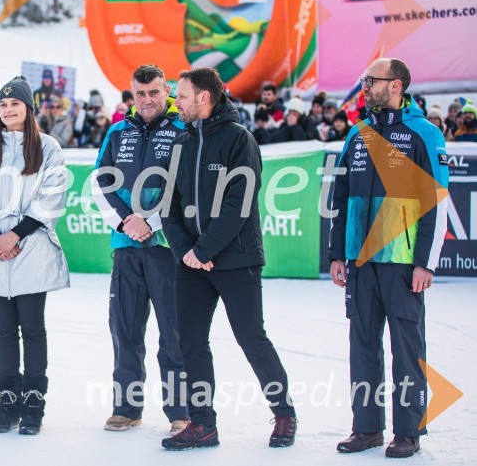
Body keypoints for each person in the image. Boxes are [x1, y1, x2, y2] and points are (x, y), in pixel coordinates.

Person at [161, 67, 297, 451]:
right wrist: (186, 252)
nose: (176, 102)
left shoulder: (239, 139)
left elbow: (240, 203)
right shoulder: (181, 142)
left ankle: (284, 413)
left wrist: (203, 250)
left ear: (204, 97)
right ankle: (203, 424)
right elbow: (168, 206)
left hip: (236, 260)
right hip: (191, 263)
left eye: (182, 96)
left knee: (251, 338)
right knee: (190, 342)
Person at [328, 58, 449, 459]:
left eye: (372, 80)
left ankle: (408, 431)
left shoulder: (424, 133)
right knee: (362, 345)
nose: (365, 86)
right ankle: (366, 428)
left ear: (396, 85)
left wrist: (425, 262)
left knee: (407, 350)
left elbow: (437, 202)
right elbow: (340, 197)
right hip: (360, 263)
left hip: (402, 262)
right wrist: (337, 253)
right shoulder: (358, 133)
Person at [0, 75, 70, 435]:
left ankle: (34, 402)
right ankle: (7, 401)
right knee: (4, 330)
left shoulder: (48, 147)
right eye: (3, 105)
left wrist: (15, 235)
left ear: (28, 108)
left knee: (33, 328)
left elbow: (52, 195)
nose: (8, 110)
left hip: (30, 249)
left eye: (15, 104)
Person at [92, 64, 190, 435]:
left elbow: (187, 187)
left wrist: (152, 222)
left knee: (175, 330)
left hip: (168, 246)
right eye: (140, 93)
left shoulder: (183, 130)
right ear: (132, 94)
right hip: (126, 245)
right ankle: (126, 408)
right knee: (125, 328)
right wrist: (127, 222)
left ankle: (181, 411)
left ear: (166, 91)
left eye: (154, 92)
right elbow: (100, 181)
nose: (147, 99)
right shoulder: (118, 131)